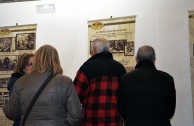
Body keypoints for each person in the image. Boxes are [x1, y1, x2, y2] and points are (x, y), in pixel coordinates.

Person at [4, 45, 83, 126]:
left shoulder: (21, 82)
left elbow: (11, 113)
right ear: (56, 60)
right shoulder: (65, 82)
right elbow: (76, 117)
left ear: (36, 59)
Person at [117, 45, 176, 126]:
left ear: (136, 59)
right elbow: (171, 110)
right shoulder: (167, 79)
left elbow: (121, 109)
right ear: (154, 60)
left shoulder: (125, 79)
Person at [74, 38, 126, 126]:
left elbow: (75, 95)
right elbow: (125, 97)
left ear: (94, 50)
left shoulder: (86, 67)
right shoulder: (120, 68)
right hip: (114, 121)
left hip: (91, 121)